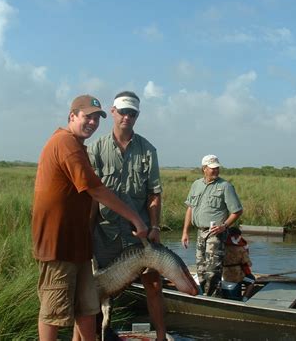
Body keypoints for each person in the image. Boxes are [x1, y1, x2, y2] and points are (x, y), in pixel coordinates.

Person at [31, 94, 147, 341]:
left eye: (96, 118)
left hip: (78, 245)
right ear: (72, 116)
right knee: (53, 311)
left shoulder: (78, 146)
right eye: (87, 117)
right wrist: (136, 219)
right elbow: (96, 189)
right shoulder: (64, 142)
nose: (93, 123)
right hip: (58, 244)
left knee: (87, 307)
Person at [87, 91, 166, 341]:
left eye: (132, 113)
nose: (127, 117)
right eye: (123, 112)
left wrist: (155, 227)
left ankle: (162, 336)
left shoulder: (148, 150)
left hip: (139, 235)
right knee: (97, 290)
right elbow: (91, 195)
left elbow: (154, 193)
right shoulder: (96, 148)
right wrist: (87, 232)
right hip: (105, 233)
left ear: (137, 116)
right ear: (113, 112)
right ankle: (98, 334)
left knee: (153, 285)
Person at [181, 154, 243, 296]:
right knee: (201, 268)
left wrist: (224, 226)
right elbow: (190, 209)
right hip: (200, 232)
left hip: (216, 233)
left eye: (217, 168)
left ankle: (213, 297)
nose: (216, 170)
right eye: (212, 168)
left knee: (213, 269)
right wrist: (185, 232)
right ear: (204, 168)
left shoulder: (225, 186)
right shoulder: (196, 185)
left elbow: (237, 211)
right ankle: (205, 294)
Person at [223, 226, 256, 302]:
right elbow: (249, 263)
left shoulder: (221, 246)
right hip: (237, 275)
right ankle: (244, 299)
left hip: (224, 273)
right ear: (236, 236)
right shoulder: (241, 248)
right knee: (252, 281)